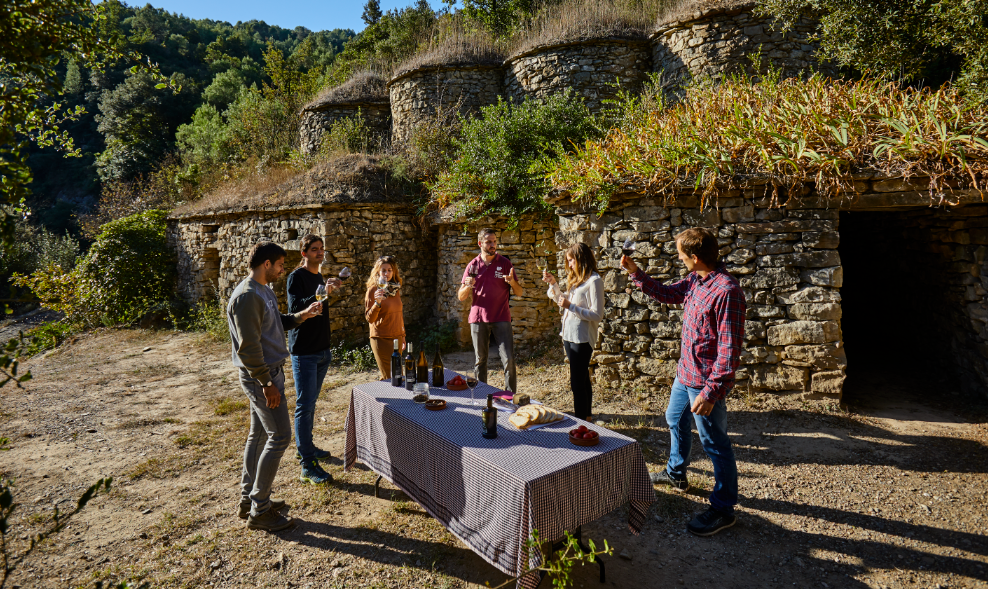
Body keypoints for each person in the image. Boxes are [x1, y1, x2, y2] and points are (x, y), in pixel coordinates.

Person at [622, 227, 746, 537]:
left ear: (695, 257)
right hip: (685, 373)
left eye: (681, 254)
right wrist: (636, 273)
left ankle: (723, 508)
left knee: (715, 443)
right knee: (673, 417)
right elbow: (668, 293)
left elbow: (729, 353)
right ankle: (676, 473)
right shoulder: (695, 280)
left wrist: (711, 392)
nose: (678, 258)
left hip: (704, 383)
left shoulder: (726, 292)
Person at [228, 241, 322, 532]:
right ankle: (260, 509)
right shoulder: (246, 296)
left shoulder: (263, 291)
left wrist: (302, 315)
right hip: (262, 377)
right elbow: (248, 347)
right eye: (281, 264)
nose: (284, 269)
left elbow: (274, 324)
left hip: (269, 374)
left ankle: (249, 500)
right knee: (280, 436)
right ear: (266, 264)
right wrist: (267, 383)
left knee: (258, 435)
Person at [287, 235, 343, 486]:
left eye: (321, 249)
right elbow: (296, 307)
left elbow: (320, 307)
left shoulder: (319, 276)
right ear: (304, 253)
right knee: (304, 405)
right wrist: (320, 293)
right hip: (304, 351)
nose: (320, 253)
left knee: (310, 403)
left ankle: (307, 447)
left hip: (322, 349)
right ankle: (306, 464)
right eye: (314, 249)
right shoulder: (296, 277)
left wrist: (327, 290)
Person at [542, 243, 603, 421]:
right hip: (568, 335)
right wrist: (553, 284)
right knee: (583, 378)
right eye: (568, 261)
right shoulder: (578, 280)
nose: (569, 265)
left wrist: (571, 306)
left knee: (576, 384)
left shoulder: (594, 281)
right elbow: (563, 301)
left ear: (581, 259)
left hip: (582, 338)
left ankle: (580, 423)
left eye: (571, 261)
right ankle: (588, 418)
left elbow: (597, 314)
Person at [457, 228, 523, 392]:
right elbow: (461, 296)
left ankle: (509, 396)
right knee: (481, 361)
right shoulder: (472, 266)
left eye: (494, 241)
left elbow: (520, 292)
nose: (493, 245)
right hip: (478, 319)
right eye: (488, 242)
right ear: (480, 243)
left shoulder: (505, 263)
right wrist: (467, 286)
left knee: (508, 360)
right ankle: (482, 395)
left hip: (501, 317)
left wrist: (512, 282)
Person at [364, 255, 406, 380]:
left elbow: (399, 314)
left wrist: (403, 335)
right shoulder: (373, 290)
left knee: (398, 375)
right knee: (391, 377)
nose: (386, 273)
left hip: (397, 337)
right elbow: (369, 319)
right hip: (381, 339)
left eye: (389, 270)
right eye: (383, 270)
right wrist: (377, 303)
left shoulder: (395, 289)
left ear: (394, 272)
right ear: (378, 271)